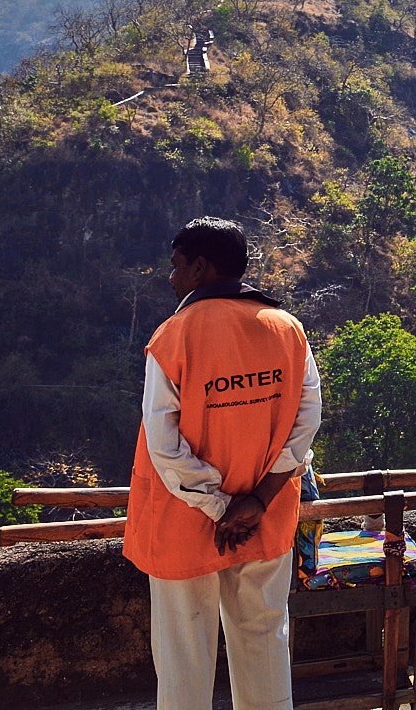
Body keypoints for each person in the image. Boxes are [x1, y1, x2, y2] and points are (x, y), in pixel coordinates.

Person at [124, 217, 322, 710]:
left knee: (184, 655)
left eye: (176, 268)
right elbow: (306, 422)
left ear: (199, 267)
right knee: (264, 640)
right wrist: (255, 502)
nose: (171, 279)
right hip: (264, 520)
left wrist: (218, 507)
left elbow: (164, 446)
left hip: (184, 524)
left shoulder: (172, 338)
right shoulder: (287, 329)